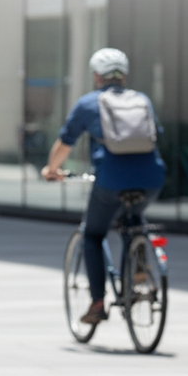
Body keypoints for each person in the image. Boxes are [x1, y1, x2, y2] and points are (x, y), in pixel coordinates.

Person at [42, 48, 166, 324]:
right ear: (124, 76)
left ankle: (98, 303)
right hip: (151, 179)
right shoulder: (142, 100)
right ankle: (139, 263)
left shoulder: (89, 103)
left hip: (111, 181)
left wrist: (51, 170)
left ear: (96, 75)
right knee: (132, 218)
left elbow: (65, 143)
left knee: (92, 235)